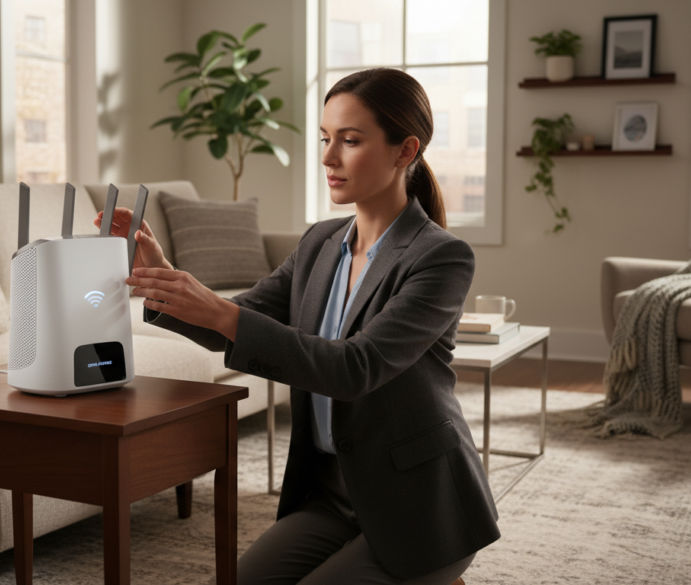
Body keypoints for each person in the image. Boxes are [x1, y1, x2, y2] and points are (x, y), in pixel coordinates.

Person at [96, 68, 499, 585]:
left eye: (350, 141)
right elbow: (242, 321)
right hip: (333, 496)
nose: (329, 158)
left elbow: (355, 367)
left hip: (418, 507)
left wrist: (223, 311)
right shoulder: (320, 244)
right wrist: (163, 277)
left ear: (405, 150)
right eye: (326, 139)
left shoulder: (441, 258)